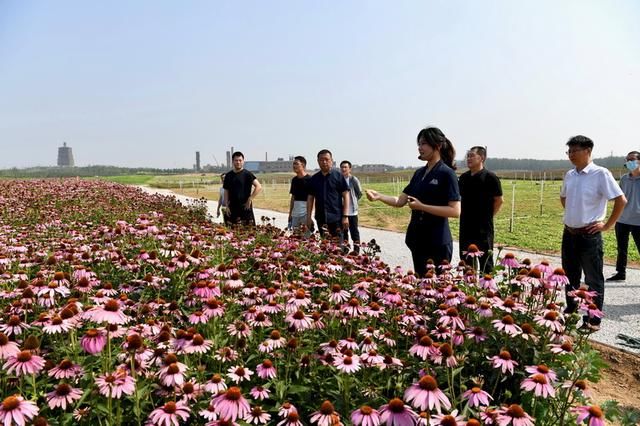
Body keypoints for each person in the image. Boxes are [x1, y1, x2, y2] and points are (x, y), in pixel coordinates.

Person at [366, 126, 461, 277]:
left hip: (437, 241)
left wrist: (422, 207)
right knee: (421, 284)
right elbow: (400, 201)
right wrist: (380, 196)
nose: (419, 148)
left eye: (423, 144)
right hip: (418, 239)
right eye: (419, 144)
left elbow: (455, 211)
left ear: (436, 145)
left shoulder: (447, 174)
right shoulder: (419, 173)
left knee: (438, 288)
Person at [560, 135, 626, 331]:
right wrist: (573, 213)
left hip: (589, 236)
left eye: (575, 151)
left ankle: (592, 320)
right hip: (569, 233)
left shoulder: (600, 174)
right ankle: (571, 309)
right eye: (569, 151)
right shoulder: (570, 174)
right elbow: (564, 197)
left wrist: (607, 225)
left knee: (593, 278)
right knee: (569, 276)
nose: (571, 155)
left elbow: (621, 200)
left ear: (588, 151)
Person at [458, 146, 503, 274]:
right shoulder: (463, 178)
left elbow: (499, 200)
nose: (469, 158)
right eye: (468, 156)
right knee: (467, 263)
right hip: (466, 226)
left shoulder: (491, 178)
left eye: (472, 155)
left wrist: (489, 216)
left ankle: (486, 290)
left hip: (484, 228)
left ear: (482, 158)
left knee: (486, 263)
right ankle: (468, 290)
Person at [607, 150, 640, 281]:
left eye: (632, 159)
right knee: (621, 248)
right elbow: (619, 197)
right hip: (622, 219)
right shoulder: (625, 179)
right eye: (627, 160)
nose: (629, 162)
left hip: (638, 221)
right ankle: (621, 272)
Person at [307, 149, 350, 241]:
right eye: (321, 160)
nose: (324, 162)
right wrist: (308, 217)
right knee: (325, 246)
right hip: (321, 218)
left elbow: (346, 196)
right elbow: (310, 198)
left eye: (327, 159)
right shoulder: (314, 179)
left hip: (336, 218)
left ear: (331, 160)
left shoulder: (338, 176)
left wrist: (345, 216)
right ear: (318, 161)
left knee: (339, 247)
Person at [223, 152, 262, 226]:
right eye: (236, 160)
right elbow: (226, 191)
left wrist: (250, 199)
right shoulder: (228, 176)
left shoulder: (248, 174)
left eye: (240, 160)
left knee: (249, 232)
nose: (238, 162)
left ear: (243, 161)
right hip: (232, 208)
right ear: (233, 161)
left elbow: (259, 186)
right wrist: (227, 206)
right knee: (231, 233)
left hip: (245, 207)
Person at [340, 160, 363, 254]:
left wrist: (353, 200)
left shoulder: (353, 179)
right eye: (342, 167)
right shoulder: (339, 179)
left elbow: (359, 193)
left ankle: (356, 250)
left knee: (354, 231)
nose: (343, 169)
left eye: (345, 167)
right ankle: (345, 249)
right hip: (342, 211)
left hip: (352, 211)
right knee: (344, 231)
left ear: (350, 169)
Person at [288, 156, 312, 232]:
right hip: (295, 214)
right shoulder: (294, 180)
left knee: (306, 237)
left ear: (303, 165)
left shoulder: (310, 179)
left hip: (305, 214)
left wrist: (309, 216)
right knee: (295, 237)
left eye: (296, 164)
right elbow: (293, 197)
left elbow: (311, 199)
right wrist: (290, 214)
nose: (294, 166)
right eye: (293, 164)